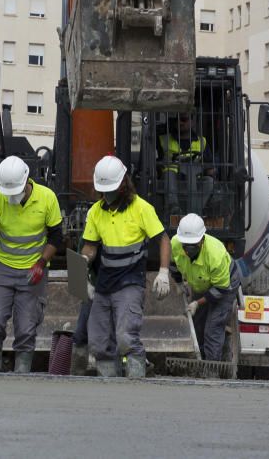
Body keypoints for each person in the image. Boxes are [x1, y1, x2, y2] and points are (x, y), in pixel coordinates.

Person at [80, 156, 171, 378]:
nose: (107, 193)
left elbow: (164, 239)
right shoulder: (95, 212)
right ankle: (109, 387)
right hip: (104, 283)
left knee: (126, 337)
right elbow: (90, 247)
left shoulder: (141, 208)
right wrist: (83, 263)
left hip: (130, 281)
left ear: (123, 184)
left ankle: (136, 380)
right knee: (99, 342)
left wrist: (164, 272)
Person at [0, 156, 63, 373]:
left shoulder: (47, 198)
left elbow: (56, 237)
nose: (12, 197)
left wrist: (41, 263)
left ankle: (22, 375)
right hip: (2, 268)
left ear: (26, 181)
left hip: (33, 271)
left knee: (26, 327)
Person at [171, 213, 240, 361]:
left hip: (225, 284)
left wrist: (197, 302)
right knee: (197, 324)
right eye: (186, 245)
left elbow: (220, 289)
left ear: (202, 240)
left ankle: (211, 366)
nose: (188, 250)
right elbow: (174, 264)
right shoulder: (175, 244)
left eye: (193, 245)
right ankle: (200, 360)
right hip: (200, 283)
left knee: (213, 326)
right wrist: (178, 283)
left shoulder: (215, 254)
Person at [158, 113, 215, 215]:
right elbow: (156, 163)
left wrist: (207, 169)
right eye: (177, 120)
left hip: (195, 182)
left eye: (184, 119)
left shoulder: (202, 142)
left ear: (192, 122)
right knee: (169, 172)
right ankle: (174, 208)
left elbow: (210, 167)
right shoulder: (163, 139)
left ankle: (195, 212)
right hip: (171, 181)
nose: (180, 122)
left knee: (209, 181)